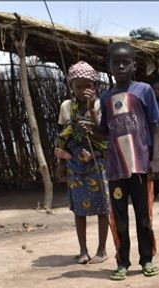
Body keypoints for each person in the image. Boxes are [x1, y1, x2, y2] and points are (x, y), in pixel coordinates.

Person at [96, 42, 159, 281]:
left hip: (141, 166)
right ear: (110, 66)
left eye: (126, 62)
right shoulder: (105, 97)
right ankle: (122, 261)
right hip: (115, 169)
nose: (121, 66)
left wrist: (156, 158)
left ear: (134, 65)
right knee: (119, 218)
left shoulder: (143, 91)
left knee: (144, 216)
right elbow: (105, 131)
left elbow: (155, 125)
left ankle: (146, 259)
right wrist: (91, 128)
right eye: (116, 62)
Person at [54, 61, 110, 265]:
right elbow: (63, 136)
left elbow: (103, 134)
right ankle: (83, 250)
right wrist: (61, 162)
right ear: (71, 86)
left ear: (94, 86)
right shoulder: (66, 107)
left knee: (102, 206)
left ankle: (102, 250)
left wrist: (90, 109)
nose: (84, 90)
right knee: (79, 208)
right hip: (75, 163)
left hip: (97, 160)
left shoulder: (99, 105)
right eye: (79, 86)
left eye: (88, 85)